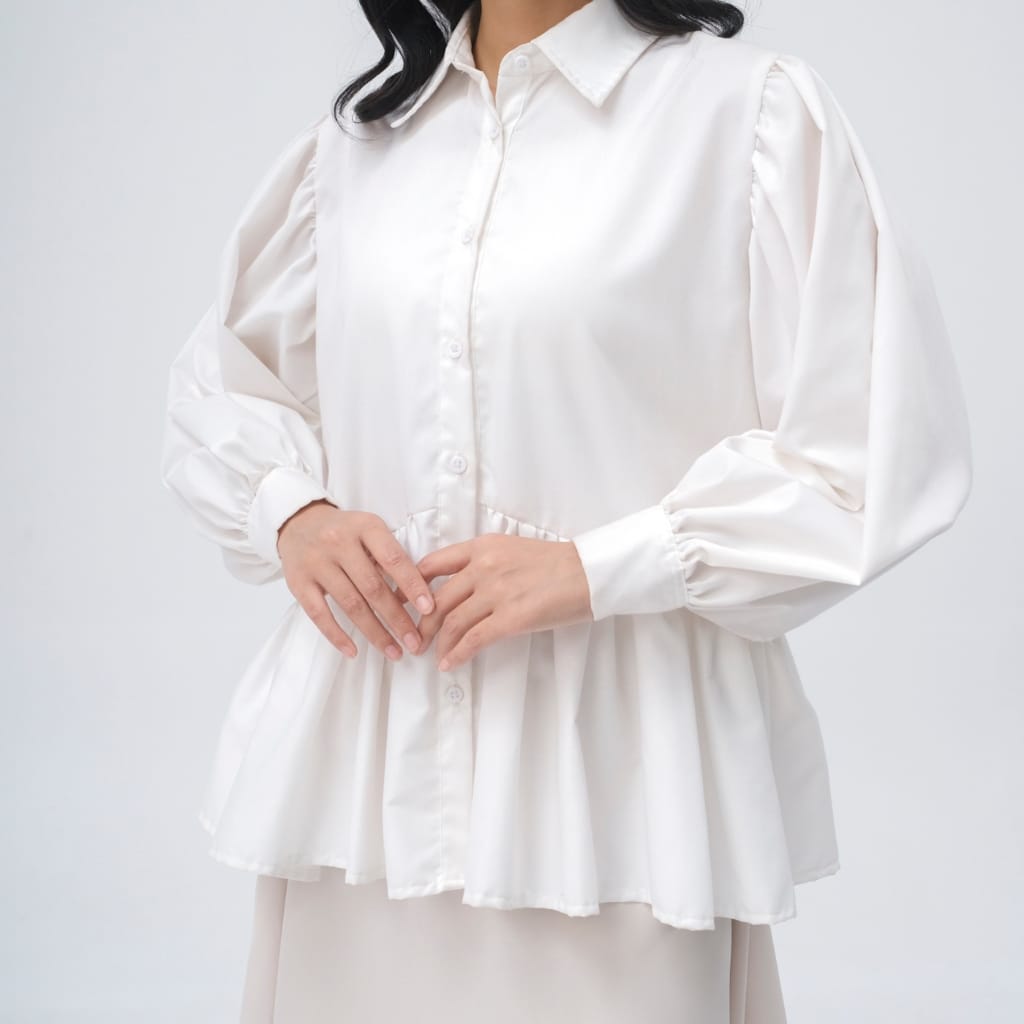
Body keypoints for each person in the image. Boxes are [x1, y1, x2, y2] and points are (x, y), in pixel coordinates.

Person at [159, 0, 973, 1020]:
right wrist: (292, 512)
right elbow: (223, 381)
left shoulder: (745, 116)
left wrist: (603, 565)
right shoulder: (359, 147)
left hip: (621, 795)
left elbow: (868, 445)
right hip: (363, 798)